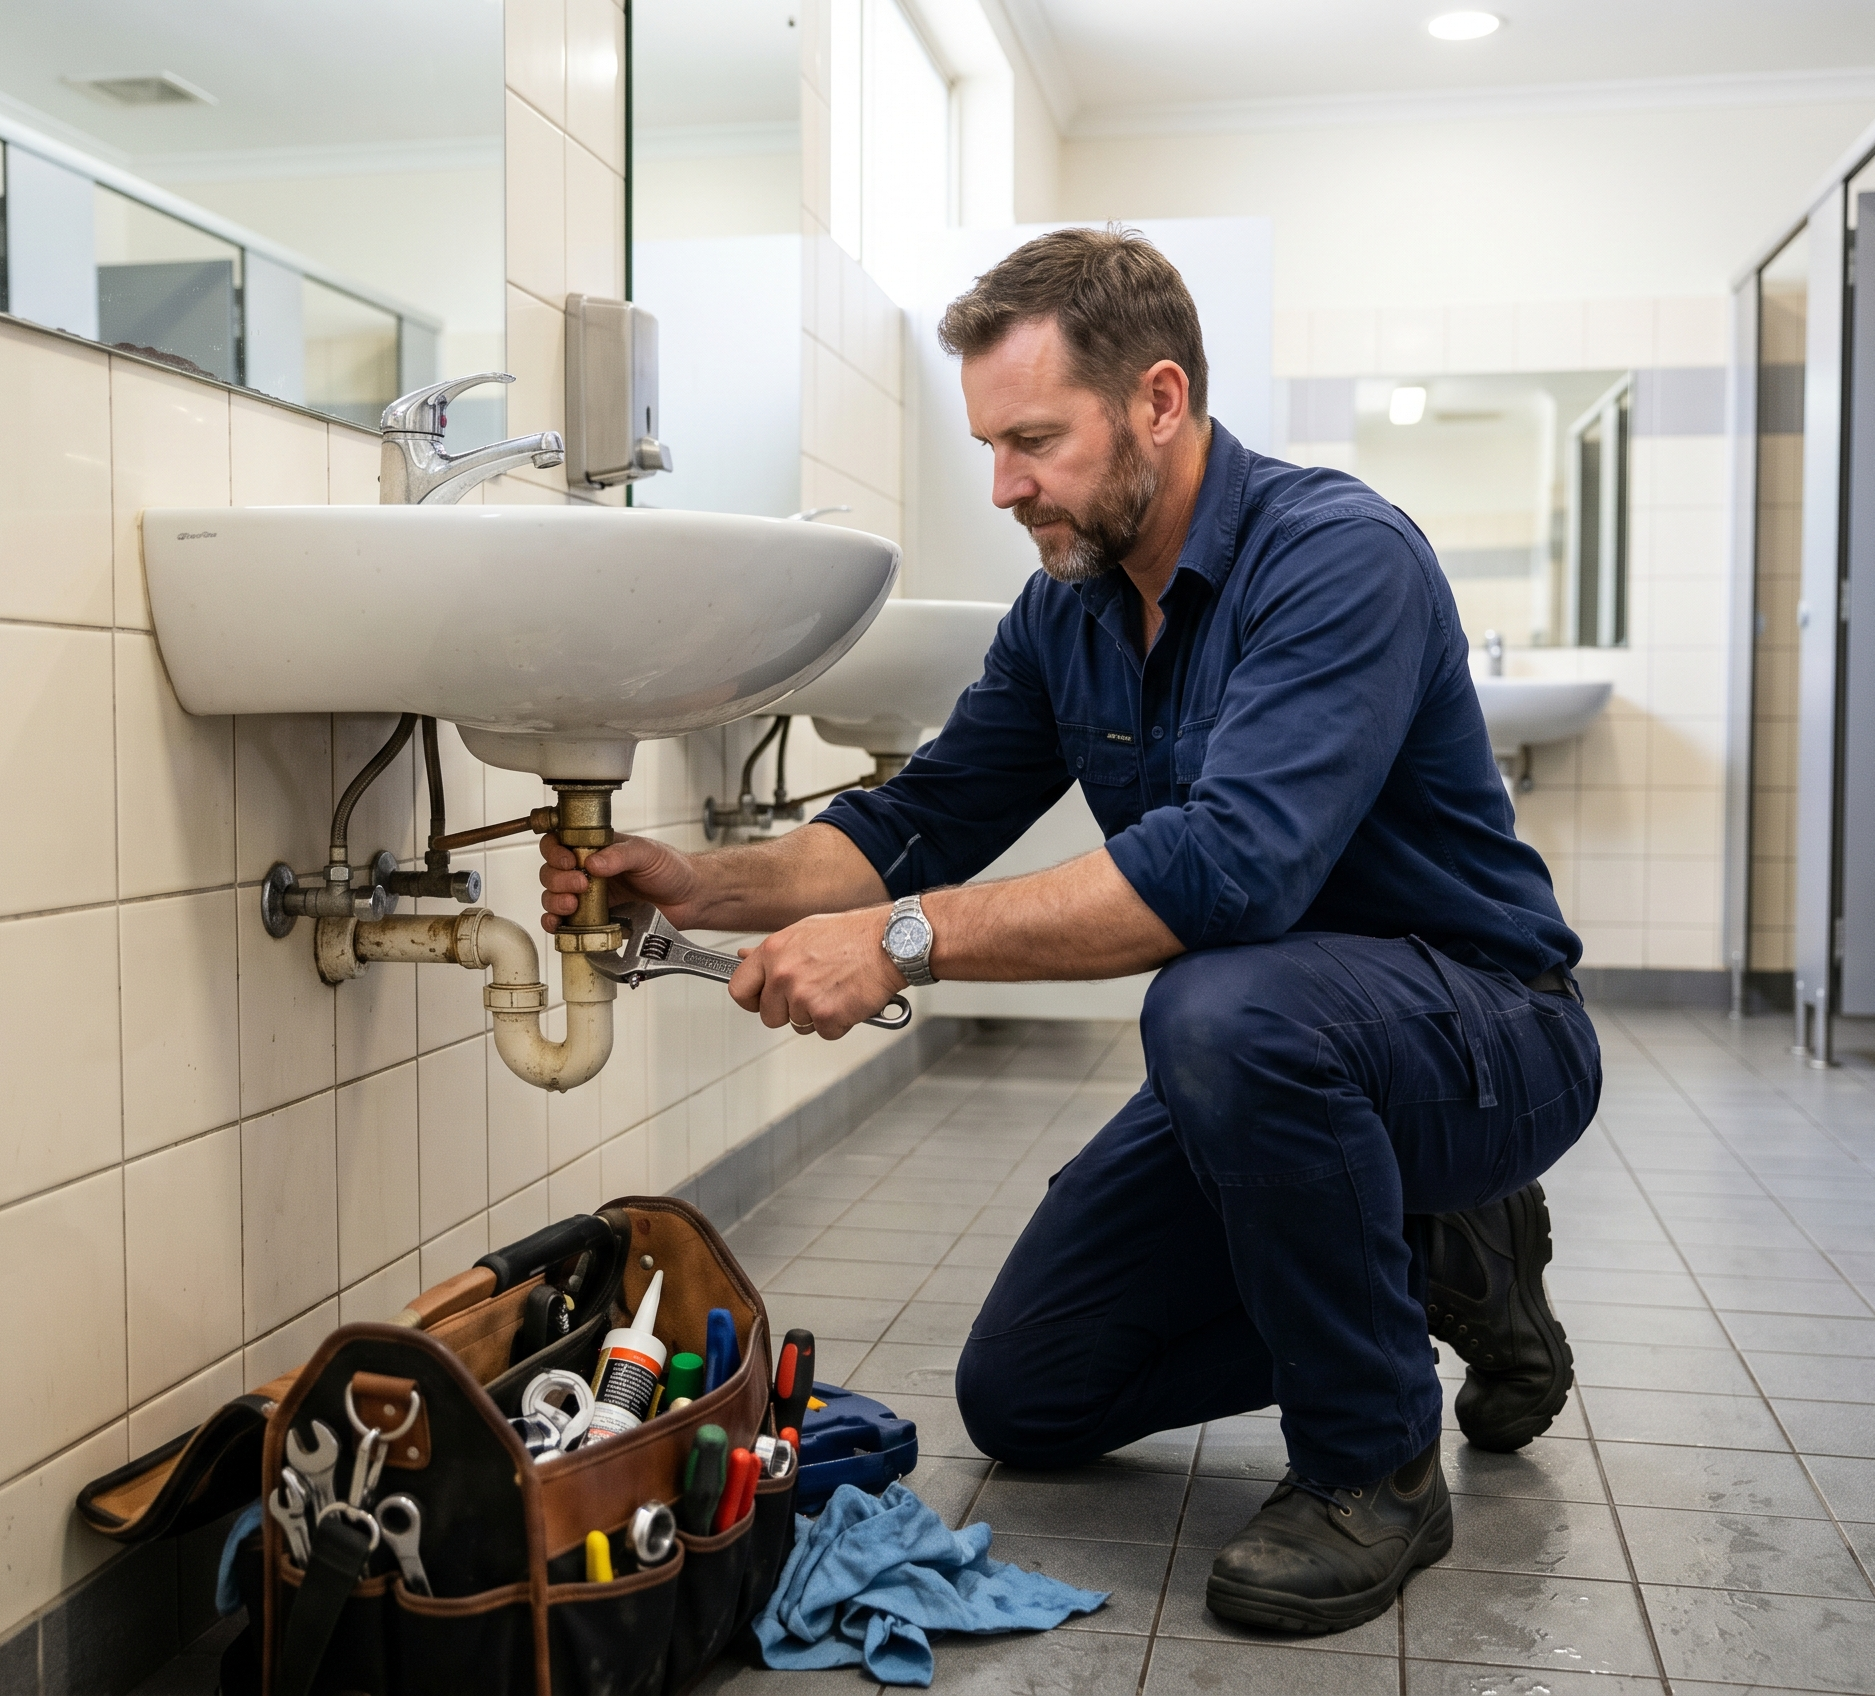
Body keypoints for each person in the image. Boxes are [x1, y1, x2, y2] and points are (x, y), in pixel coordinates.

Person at [540, 226, 1601, 1635]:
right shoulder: (1069, 613)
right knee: (1031, 1393)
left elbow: (1231, 873)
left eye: (1034, 440)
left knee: (1217, 1007)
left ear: (1160, 400)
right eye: (991, 446)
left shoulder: (1338, 560)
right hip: (1286, 1060)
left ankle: (1375, 1463)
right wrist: (697, 881)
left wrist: (901, 946)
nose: (1004, 486)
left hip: (1485, 1028)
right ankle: (1428, 1251)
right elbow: (917, 819)